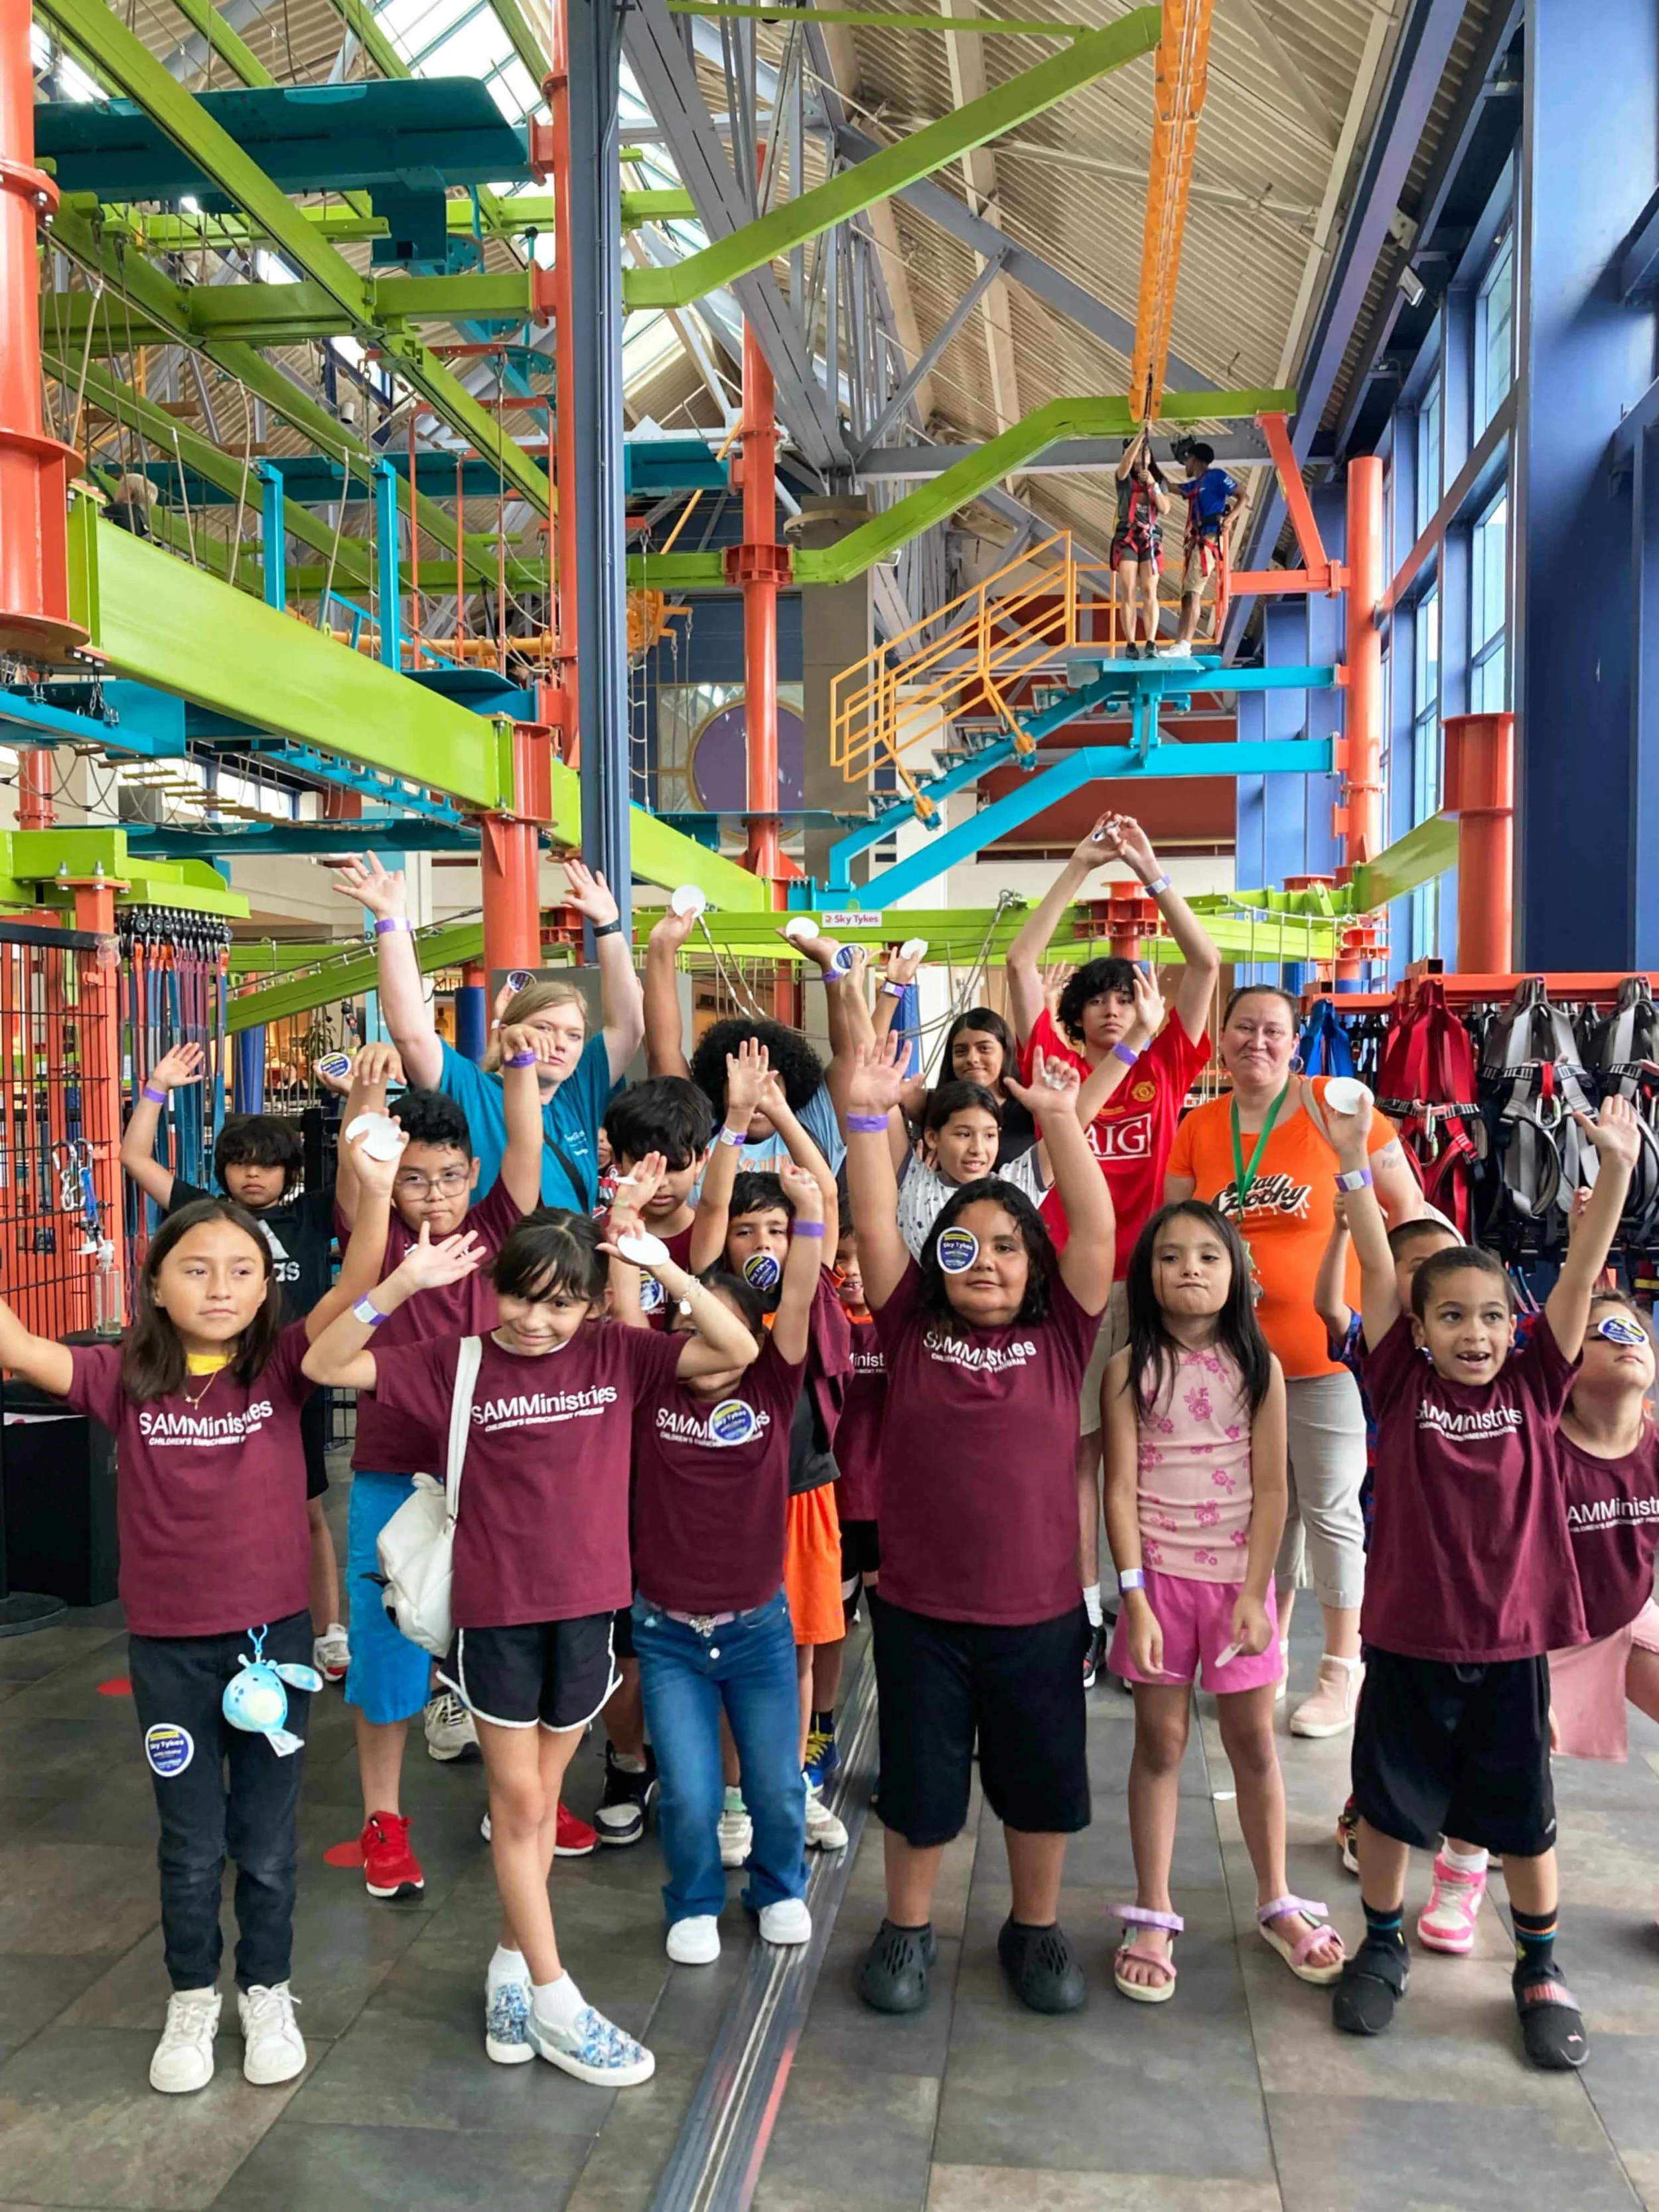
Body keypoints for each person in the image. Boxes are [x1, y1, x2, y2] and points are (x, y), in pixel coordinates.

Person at [306, 1176, 760, 2083]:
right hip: (497, 1613)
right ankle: (556, 2000)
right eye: (520, 1295)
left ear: (590, 1303)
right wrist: (399, 1286)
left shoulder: (616, 1356)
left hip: (588, 1610)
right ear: (495, 1286)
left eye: (559, 1303)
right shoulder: (457, 1359)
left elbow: (736, 1344)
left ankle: (511, 1965)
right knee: (520, 1808)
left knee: (537, 1811)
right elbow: (325, 1361)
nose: (535, 1320)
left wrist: (661, 1262)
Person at [0, 1136, 385, 2096]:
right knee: (188, 1839)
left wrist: (372, 1198)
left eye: (242, 1269)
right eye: (197, 1268)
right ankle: (190, 1998)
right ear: (157, 1284)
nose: (220, 1286)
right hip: (169, 1653)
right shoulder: (121, 1377)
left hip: (275, 1647)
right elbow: (15, 1345)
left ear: (266, 1290)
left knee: (263, 1835)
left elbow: (358, 1286)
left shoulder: (286, 1370)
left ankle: (265, 1987)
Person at [1326, 1086, 1642, 2071]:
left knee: (1522, 1815)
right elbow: (1378, 1264)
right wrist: (1351, 1165)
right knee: (1388, 1806)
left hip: (1509, 1648)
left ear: (1518, 1326)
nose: (1474, 1332)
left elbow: (1582, 1272)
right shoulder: (1397, 1381)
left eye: (1492, 1316)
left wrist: (1619, 1170)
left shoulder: (1536, 1381)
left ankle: (1541, 1966)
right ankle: (1382, 1941)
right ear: (1415, 1331)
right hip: (1409, 1640)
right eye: (1451, 1316)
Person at [843, 1034, 1114, 2017]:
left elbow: (1095, 1229)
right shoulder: (911, 1322)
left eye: (1008, 1246)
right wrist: (868, 1116)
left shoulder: (1062, 1332)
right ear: (937, 1261)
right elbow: (875, 1214)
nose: (987, 1262)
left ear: (1034, 1264)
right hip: (921, 1610)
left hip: (1038, 1611)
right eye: (965, 1246)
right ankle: (906, 1927)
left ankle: (1034, 1930)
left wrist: (1058, 1121)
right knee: (919, 1788)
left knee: (1041, 1784)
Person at [1165, 987, 1423, 1736]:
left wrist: (1398, 1318)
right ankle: (1259, 1649)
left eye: (1272, 1030)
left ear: (1294, 1042)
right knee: (1259, 1515)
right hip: (1233, 1364)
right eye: (1243, 1028)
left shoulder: (1335, 1108)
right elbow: (1176, 1230)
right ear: (1221, 1039)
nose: (1257, 1042)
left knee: (1334, 1512)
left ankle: (1342, 1670)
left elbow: (1408, 1215)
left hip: (1328, 1358)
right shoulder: (1200, 1127)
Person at [1102, 1201, 1344, 2000]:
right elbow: (1119, 1489)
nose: (1190, 1270)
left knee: (1254, 1745)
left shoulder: (1260, 1365)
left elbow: (1275, 1489)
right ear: (1147, 1275)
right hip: (1159, 1587)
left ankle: (1275, 1898)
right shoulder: (1127, 1367)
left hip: (1238, 1590)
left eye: (1208, 1255)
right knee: (1160, 1745)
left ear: (1237, 1270)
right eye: (1170, 1257)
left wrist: (1257, 1594)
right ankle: (1153, 1905)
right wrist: (1132, 1599)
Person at [1007, 812, 1220, 1687]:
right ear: (1076, 1015)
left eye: (1123, 995)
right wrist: (1080, 864)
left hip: (1157, 1283)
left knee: (1158, 1449)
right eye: (1095, 997)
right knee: (1079, 1453)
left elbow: (1205, 963)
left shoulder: (1166, 1060)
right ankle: (1082, 1607)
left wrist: (1149, 863)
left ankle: (1156, 1606)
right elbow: (1021, 962)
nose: (1110, 1006)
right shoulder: (1055, 1065)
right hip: (1072, 1282)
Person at [331, 1039, 545, 1901]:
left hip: (489, 1475)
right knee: (385, 1649)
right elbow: (358, 1175)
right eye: (415, 1178)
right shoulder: (376, 1237)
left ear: (474, 1174)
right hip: (393, 1475)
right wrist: (365, 1102)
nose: (435, 1195)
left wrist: (524, 1065)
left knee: (502, 1645)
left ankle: (517, 1802)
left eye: (450, 1177)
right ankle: (383, 1819)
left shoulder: (496, 1229)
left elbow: (525, 1149)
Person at [616, 1155, 826, 1964]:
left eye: (720, 1328)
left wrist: (811, 1210)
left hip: (758, 1631)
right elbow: (628, 1312)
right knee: (693, 1794)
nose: (706, 1346)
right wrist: (625, 1232)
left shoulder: (773, 1388)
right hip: (667, 1632)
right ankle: (695, 1899)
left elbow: (799, 1296)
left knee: (775, 1787)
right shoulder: (649, 1387)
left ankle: (779, 1886)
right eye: (689, 1329)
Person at [121, 1043, 348, 1683]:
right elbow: (136, 1158)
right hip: (213, 1384)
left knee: (308, 1510)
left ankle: (328, 1630)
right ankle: (231, 1626)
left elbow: (360, 1173)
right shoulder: (201, 1214)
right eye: (241, 1164)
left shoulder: (310, 1213)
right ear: (222, 1169)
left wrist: (357, 1099)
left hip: (290, 1381)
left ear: (288, 1171)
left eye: (268, 1165)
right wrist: (158, 1086)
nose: (254, 1176)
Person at [691, 1041, 852, 1857]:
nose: (761, 1239)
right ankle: (732, 1802)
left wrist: (781, 1113)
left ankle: (785, 1789)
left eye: (777, 1227)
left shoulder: (813, 1278)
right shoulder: (712, 1293)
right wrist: (731, 1122)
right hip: (728, 1503)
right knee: (731, 1658)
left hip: (804, 1491)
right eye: (747, 1229)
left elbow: (821, 1188)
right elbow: (711, 1214)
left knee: (793, 1655)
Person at [334, 850, 642, 1207]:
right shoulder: (472, 1089)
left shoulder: (578, 1091)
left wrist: (608, 925)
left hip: (573, 1259)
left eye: (573, 1035)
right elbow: (411, 1034)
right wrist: (390, 920)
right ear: (508, 1030)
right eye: (544, 1028)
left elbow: (628, 1028)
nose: (560, 1043)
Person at [1314, 1203, 1461, 1883]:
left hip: (1468, 1560)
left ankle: (1460, 1820)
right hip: (1395, 1552)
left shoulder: (1483, 1356)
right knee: (1390, 1687)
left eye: (1445, 1262)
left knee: (1464, 1690)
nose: (1434, 1277)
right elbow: (1328, 1304)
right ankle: (1364, 1809)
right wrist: (1345, 1230)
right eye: (1415, 1266)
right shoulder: (1379, 1355)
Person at [588, 1076, 717, 1848]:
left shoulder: (720, 1232)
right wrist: (622, 1228)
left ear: (699, 1160)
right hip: (620, 1470)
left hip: (707, 1467)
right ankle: (626, 1761)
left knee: (698, 1623)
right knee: (627, 1633)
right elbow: (632, 1342)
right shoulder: (595, 1238)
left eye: (672, 1161)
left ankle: (689, 1760)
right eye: (638, 1159)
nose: (655, 1178)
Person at [644, 904, 846, 1178]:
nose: (757, 1095)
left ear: (789, 1089)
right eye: (742, 1081)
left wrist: (831, 968)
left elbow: (851, 1056)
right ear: (721, 1090)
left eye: (770, 1083)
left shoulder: (814, 1123)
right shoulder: (700, 1128)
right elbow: (662, 1050)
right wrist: (661, 949)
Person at [1547, 1288, 1659, 1767]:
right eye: (1605, 1333)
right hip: (1535, 1638)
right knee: (1481, 1782)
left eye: (1637, 1333)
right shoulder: (1538, 1449)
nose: (1627, 1342)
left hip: (1625, 1616)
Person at [818, 1220, 886, 1785]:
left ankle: (902, 1739)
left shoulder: (898, 1328)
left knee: (895, 1634)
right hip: (829, 1508)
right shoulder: (822, 1324)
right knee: (827, 1629)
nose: (854, 1271)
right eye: (842, 1258)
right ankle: (820, 1730)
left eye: (864, 1259)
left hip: (890, 1510)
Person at [894, 1081, 1050, 1260]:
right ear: (932, 1137)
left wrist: (1058, 1111)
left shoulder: (1014, 1188)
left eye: (990, 1136)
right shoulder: (914, 1182)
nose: (978, 1149)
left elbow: (1068, 1125)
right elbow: (872, 1098)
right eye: (964, 1134)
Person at [1166, 441, 1241, 652]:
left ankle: (1185, 645)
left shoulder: (1216, 476)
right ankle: (1178, 645)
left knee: (1193, 594)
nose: (1185, 465)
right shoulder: (1195, 486)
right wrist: (1150, 465)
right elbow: (1170, 486)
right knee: (1187, 597)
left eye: (1187, 460)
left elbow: (1243, 496)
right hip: (1196, 542)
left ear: (1195, 459)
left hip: (1207, 540)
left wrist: (1231, 519)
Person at [938, 1006, 1037, 1163]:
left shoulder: (1031, 1110)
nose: (972, 1058)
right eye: (961, 1051)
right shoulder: (934, 1106)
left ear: (1005, 1052)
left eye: (984, 1048)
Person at [1112, 425, 1170, 658]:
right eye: (1137, 453)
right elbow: (1124, 467)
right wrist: (1141, 435)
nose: (1141, 456)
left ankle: (1151, 641)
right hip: (1127, 537)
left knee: (1149, 589)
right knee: (1128, 590)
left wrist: (1153, 485)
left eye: (1145, 452)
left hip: (1150, 539)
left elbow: (1165, 508)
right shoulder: (1124, 480)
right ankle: (1130, 644)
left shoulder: (1158, 481)